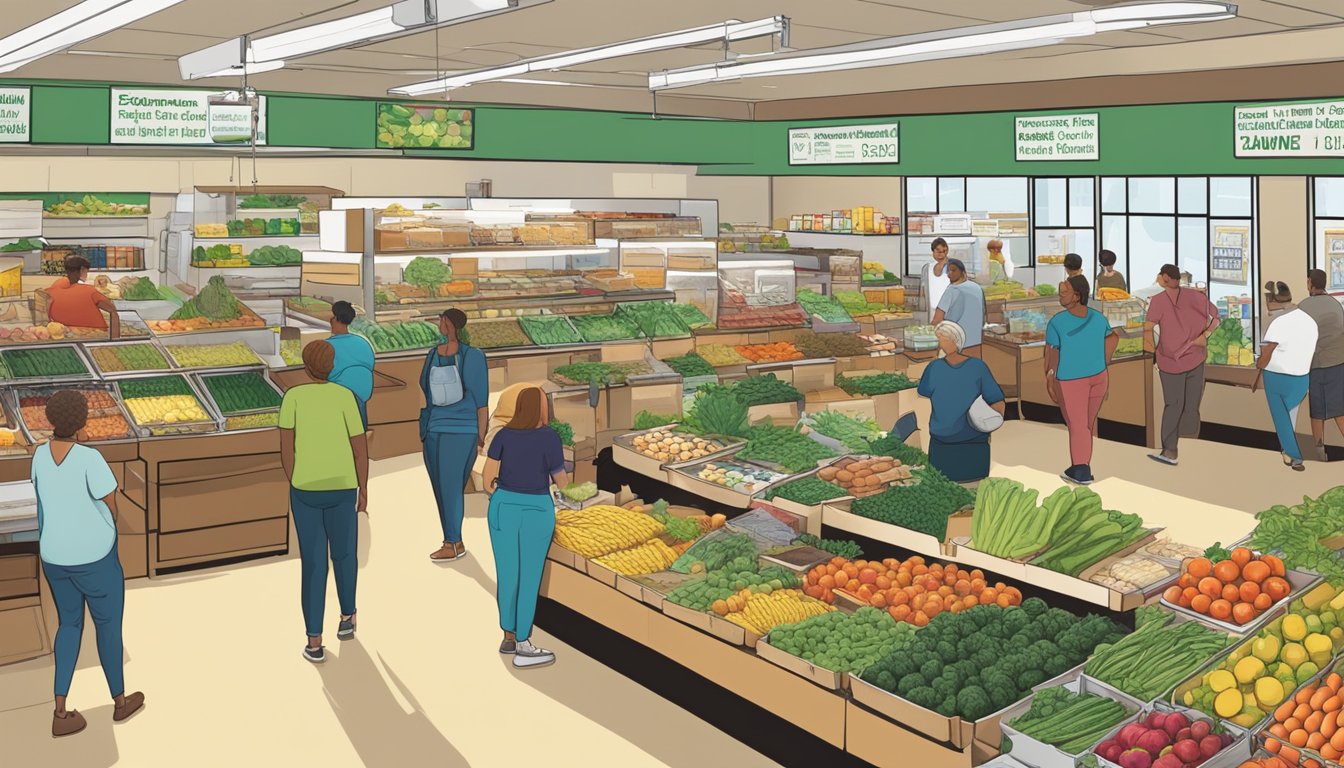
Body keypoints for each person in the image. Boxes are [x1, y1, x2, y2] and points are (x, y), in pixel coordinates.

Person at [32, 390, 144, 737]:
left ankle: (61, 710)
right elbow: (111, 503)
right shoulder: (90, 458)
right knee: (108, 627)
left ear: (51, 420)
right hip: (95, 557)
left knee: (68, 626)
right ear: (83, 422)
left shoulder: (37, 456)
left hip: (54, 556)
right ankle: (120, 702)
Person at [279, 341, 370, 664]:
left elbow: (286, 448)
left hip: (305, 490)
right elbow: (360, 449)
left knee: (314, 563)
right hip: (343, 487)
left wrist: (296, 478)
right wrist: (363, 488)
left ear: (305, 366)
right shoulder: (346, 397)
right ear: (332, 367)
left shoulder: (293, 398)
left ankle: (314, 641)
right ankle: (348, 618)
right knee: (345, 555)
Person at [482, 386, 568, 669]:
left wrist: (502, 493)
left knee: (507, 573)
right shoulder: (550, 438)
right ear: (542, 409)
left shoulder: (503, 436)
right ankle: (524, 644)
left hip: (503, 508)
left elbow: (487, 479)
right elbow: (562, 481)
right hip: (536, 510)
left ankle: (507, 635)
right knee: (530, 576)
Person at [420, 308, 488, 563]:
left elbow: (481, 402)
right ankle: (450, 538)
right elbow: (424, 389)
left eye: (441, 320)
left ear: (448, 324)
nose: (439, 324)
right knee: (440, 487)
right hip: (434, 429)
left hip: (461, 431)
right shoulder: (432, 355)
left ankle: (453, 542)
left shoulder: (473, 356)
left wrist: (481, 436)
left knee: (450, 487)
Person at [1144, 264, 1220, 466]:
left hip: (1172, 362)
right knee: (1191, 406)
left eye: (1160, 276)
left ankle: (1170, 451)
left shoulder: (1158, 301)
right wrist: (1205, 336)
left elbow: (1148, 328)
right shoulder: (1196, 296)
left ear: (1165, 278)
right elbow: (1217, 318)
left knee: (1173, 405)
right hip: (1195, 358)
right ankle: (1189, 450)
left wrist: (1151, 351)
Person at [1045, 276, 1118, 485]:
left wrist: (1050, 376)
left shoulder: (1057, 322)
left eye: (1064, 292)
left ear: (1077, 296)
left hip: (1071, 380)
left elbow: (1053, 354)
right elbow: (1113, 337)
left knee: (1077, 425)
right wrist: (1103, 360)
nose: (1060, 296)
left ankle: (1081, 470)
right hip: (1099, 377)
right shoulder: (1098, 317)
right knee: (1086, 424)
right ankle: (1081, 464)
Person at [916, 321, 1007, 483]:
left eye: (942, 339)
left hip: (949, 439)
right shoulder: (978, 366)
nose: (939, 344)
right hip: (970, 439)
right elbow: (997, 401)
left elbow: (924, 390)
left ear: (955, 340)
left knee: (945, 487)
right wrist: (989, 425)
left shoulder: (935, 367)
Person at [1254, 308, 1318, 472]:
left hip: (1277, 377)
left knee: (1280, 416)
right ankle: (1286, 452)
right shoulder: (1310, 321)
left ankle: (1295, 456)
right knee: (1290, 415)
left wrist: (1259, 363)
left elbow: (1266, 352)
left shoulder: (1278, 322)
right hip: (1302, 377)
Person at [326, 301, 375, 510]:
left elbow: (323, 375)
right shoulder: (363, 343)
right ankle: (361, 493)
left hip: (336, 404)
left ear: (334, 319)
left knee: (337, 450)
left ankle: (340, 493)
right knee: (358, 450)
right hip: (361, 402)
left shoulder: (327, 346)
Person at [1300, 269, 1344, 456]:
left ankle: (1319, 452)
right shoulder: (1336, 305)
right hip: (1338, 362)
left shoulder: (1303, 307)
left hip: (1315, 365)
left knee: (1317, 410)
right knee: (1340, 409)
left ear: (1310, 282)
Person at [46, 255, 120, 338]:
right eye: (86, 271)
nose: (87, 274)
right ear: (82, 269)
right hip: (94, 335)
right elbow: (112, 309)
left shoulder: (51, 291)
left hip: (64, 334)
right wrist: (115, 339)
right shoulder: (89, 291)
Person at [932, 259, 986, 357]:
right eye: (948, 271)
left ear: (963, 272)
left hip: (956, 346)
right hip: (977, 344)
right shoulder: (977, 288)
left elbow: (937, 320)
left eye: (953, 270)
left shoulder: (952, 290)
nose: (949, 274)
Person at [922, 238, 951, 322]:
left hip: (949, 311)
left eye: (943, 251)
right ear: (933, 252)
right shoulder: (928, 268)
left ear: (947, 251)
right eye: (937, 250)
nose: (940, 254)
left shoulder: (953, 267)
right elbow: (923, 291)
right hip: (931, 311)